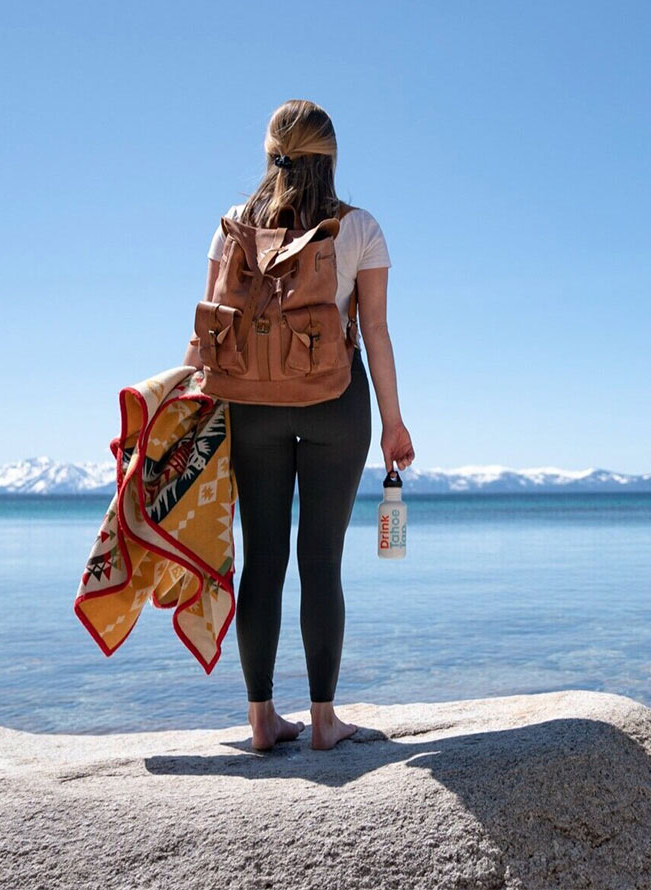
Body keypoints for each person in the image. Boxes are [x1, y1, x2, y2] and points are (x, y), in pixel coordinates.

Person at [183, 99, 415, 751]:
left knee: (263, 557)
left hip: (248, 407)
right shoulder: (359, 227)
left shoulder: (231, 225)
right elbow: (374, 329)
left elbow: (204, 325)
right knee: (321, 559)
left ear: (270, 154)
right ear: (331, 157)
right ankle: (323, 721)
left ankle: (261, 721)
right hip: (333, 404)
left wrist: (180, 404)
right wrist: (394, 424)